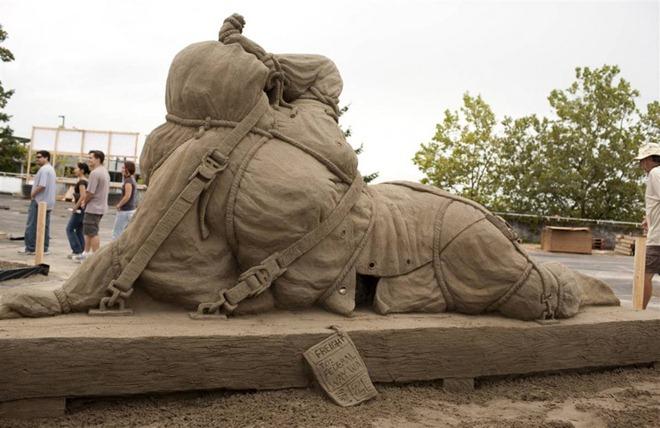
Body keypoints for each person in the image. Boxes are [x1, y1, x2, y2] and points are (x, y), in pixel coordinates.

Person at [74, 150, 110, 262]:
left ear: (98, 159)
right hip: (100, 207)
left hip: (94, 207)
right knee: (89, 232)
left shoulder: (95, 173)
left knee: (92, 233)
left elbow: (90, 192)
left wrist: (84, 202)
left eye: (91, 158)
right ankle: (85, 254)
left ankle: (95, 258)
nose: (88, 160)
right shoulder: (105, 171)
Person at [636, 142, 660, 309]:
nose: (641, 165)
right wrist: (649, 217)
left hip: (658, 238)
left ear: (650, 159)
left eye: (642, 160)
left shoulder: (655, 173)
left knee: (644, 275)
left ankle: (640, 312)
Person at [19, 150, 56, 255]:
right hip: (48, 202)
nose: (37, 159)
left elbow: (42, 185)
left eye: (39, 157)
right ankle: (44, 248)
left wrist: (32, 194)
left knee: (32, 225)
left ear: (46, 158)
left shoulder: (44, 170)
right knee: (45, 226)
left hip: (39, 201)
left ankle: (30, 248)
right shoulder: (51, 169)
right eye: (37, 157)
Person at [65, 162, 89, 258]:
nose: (74, 170)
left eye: (76, 168)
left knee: (69, 229)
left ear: (82, 170)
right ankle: (81, 251)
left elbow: (83, 195)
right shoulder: (86, 181)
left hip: (79, 210)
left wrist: (75, 207)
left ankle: (76, 250)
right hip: (84, 209)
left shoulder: (82, 182)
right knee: (79, 230)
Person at [112, 161, 138, 240]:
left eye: (123, 167)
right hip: (130, 210)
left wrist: (119, 205)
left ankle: (115, 251)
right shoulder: (131, 179)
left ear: (128, 169)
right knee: (126, 234)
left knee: (116, 234)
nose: (121, 169)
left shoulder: (128, 181)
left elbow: (127, 196)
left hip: (125, 211)